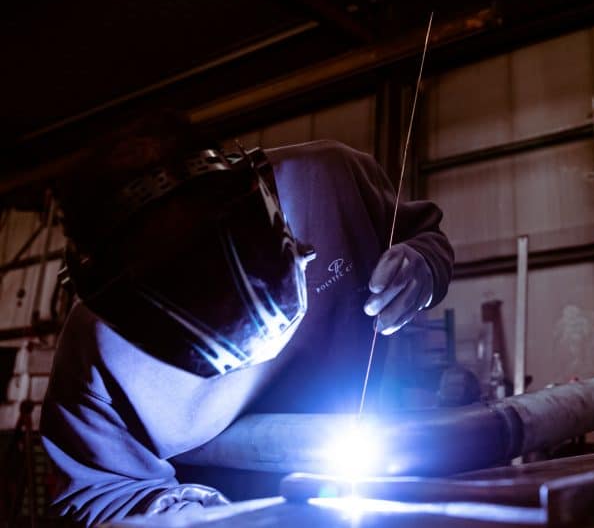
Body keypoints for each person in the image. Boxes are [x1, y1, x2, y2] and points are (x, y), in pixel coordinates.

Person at [40, 114, 454, 526]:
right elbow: (98, 494)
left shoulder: (328, 180)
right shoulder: (96, 353)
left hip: (368, 474)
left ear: (264, 199)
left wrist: (423, 267)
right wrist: (213, 518)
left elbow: (425, 236)